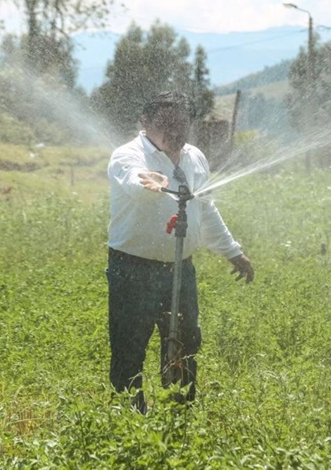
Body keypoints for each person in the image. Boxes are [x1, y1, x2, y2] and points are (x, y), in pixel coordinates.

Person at [106, 91, 254, 413]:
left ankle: (179, 413)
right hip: (133, 269)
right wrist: (148, 182)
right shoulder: (127, 155)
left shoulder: (195, 157)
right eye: (165, 122)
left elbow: (206, 208)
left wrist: (233, 252)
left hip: (180, 268)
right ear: (145, 122)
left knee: (186, 342)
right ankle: (129, 419)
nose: (174, 130)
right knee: (129, 347)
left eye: (181, 122)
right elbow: (134, 182)